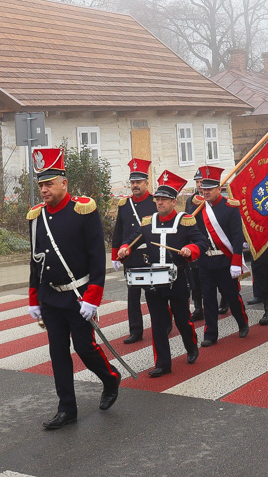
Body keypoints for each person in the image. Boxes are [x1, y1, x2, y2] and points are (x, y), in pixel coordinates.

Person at [26, 148, 121, 430]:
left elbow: (95, 256)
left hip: (78, 295)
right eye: (41, 185)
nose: (44, 190)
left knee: (85, 347)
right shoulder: (35, 217)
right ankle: (67, 408)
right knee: (58, 352)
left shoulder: (83, 210)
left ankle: (110, 378)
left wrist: (93, 296)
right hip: (50, 297)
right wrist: (34, 298)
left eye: (49, 184)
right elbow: (35, 260)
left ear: (64, 183)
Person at [117, 171, 206, 377]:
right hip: (154, 280)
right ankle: (163, 363)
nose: (159, 203)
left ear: (174, 202)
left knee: (183, 320)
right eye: (157, 199)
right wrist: (125, 248)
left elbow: (201, 242)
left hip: (178, 279)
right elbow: (133, 239)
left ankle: (191, 347)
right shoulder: (148, 222)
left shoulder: (185, 221)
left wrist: (190, 249)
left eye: (164, 200)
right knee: (157, 324)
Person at [192, 166, 250, 346]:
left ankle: (242, 322)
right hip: (206, 261)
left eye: (210, 188)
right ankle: (210, 334)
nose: (206, 191)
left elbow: (237, 236)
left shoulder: (230, 207)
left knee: (232, 296)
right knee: (208, 298)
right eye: (204, 188)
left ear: (219, 188)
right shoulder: (197, 207)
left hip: (225, 261)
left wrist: (236, 262)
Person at [111, 158, 157, 345]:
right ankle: (135, 330)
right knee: (133, 296)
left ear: (147, 182)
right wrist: (115, 255)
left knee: (154, 294)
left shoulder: (155, 203)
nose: (135, 185)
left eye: (139, 182)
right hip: (130, 257)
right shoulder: (124, 205)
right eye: (133, 182)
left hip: (149, 256)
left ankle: (161, 324)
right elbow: (118, 231)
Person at [184, 169, 205, 320]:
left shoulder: (211, 199)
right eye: (197, 182)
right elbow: (186, 221)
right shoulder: (190, 200)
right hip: (195, 244)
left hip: (211, 243)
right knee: (195, 280)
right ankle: (198, 307)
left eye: (202, 182)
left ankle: (224, 301)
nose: (199, 185)